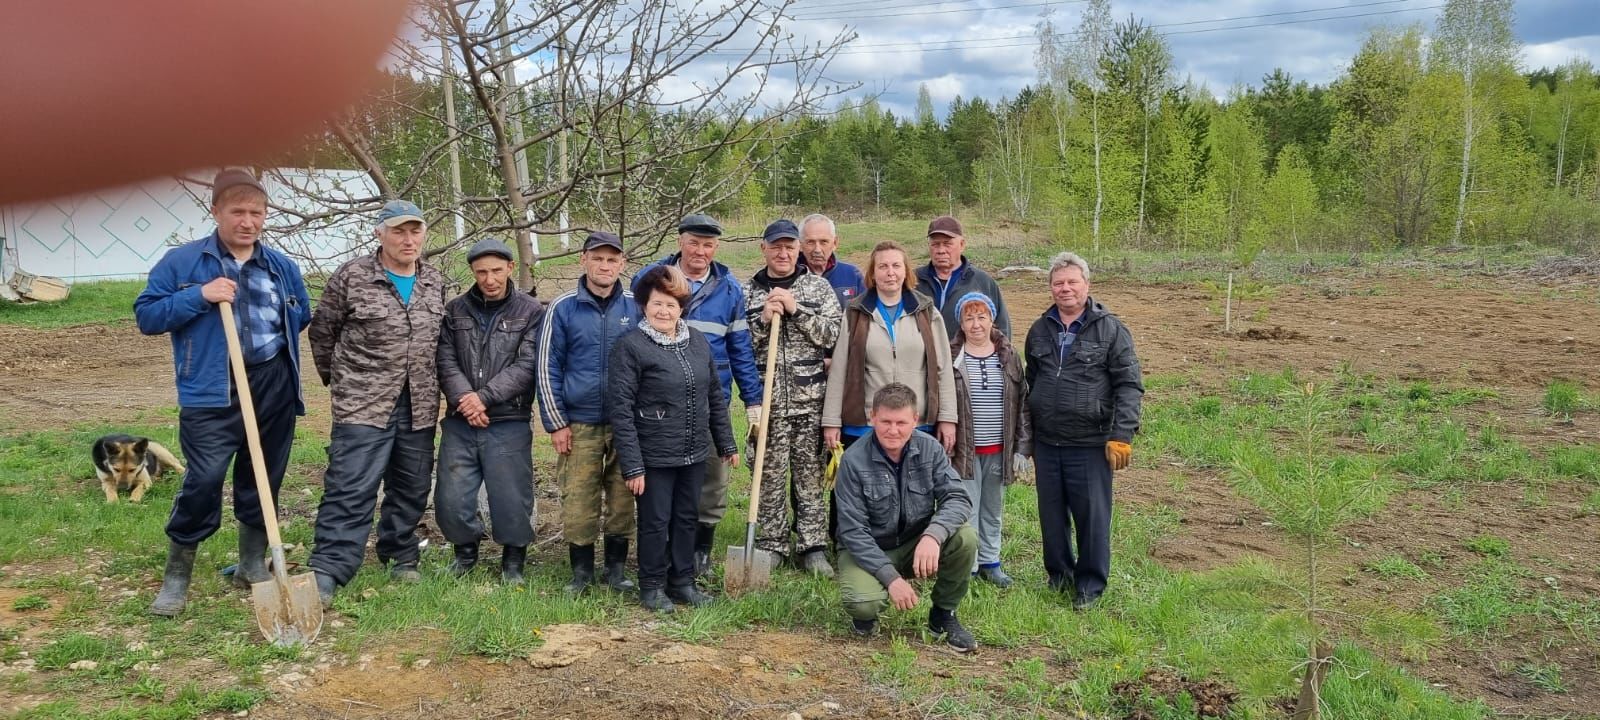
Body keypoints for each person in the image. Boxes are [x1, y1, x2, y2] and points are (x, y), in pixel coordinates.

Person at [135, 169, 312, 617]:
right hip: (212, 387)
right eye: (237, 212)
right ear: (216, 212)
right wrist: (200, 295)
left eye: (256, 212)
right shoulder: (184, 263)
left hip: (271, 382)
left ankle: (252, 565)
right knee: (205, 478)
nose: (247, 221)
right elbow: (148, 316)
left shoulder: (281, 267)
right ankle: (177, 578)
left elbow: (300, 314)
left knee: (264, 477)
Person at [307, 199, 448, 608]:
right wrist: (343, 383)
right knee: (350, 484)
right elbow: (322, 333)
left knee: (411, 484)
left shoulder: (434, 281)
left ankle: (400, 553)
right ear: (379, 233)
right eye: (398, 231)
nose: (408, 239)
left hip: (419, 401)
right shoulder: (351, 276)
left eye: (415, 231)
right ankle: (330, 567)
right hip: (362, 404)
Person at [633, 213, 763, 577]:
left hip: (710, 402)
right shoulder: (652, 278)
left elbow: (740, 348)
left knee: (711, 480)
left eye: (708, 245)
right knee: (662, 483)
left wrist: (752, 400)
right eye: (694, 243)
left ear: (716, 247)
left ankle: (699, 551)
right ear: (680, 242)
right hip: (658, 407)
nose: (700, 251)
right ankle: (660, 557)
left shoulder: (729, 288)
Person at [609, 265, 738, 613]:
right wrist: (633, 465)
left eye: (671, 305)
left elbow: (714, 393)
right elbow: (620, 408)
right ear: (644, 307)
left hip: (694, 451)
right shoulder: (631, 347)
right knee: (655, 522)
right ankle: (651, 586)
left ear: (682, 307)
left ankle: (682, 582)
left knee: (686, 517)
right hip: (653, 455)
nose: (664, 311)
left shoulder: (695, 340)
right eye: (657, 304)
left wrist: (725, 442)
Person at [1023, 252, 1143, 611]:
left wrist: (1121, 434)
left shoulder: (1111, 330)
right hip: (1048, 441)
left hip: (1090, 443)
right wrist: (1027, 437)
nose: (1065, 289)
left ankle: (1089, 585)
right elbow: (1032, 381)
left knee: (1092, 517)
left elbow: (1129, 385)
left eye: (1072, 281)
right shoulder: (1039, 329)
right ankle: (1059, 576)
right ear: (1050, 288)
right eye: (1058, 283)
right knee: (1052, 516)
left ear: (1086, 285)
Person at [833, 383, 978, 652]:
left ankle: (943, 616)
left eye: (901, 422)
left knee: (966, 538)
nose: (893, 430)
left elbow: (958, 498)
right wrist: (891, 579)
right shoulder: (853, 461)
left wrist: (933, 536)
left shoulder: (931, 449)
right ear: (872, 417)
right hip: (869, 548)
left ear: (915, 420)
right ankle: (866, 616)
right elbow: (853, 532)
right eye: (885, 421)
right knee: (862, 603)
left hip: (916, 542)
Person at [435, 238, 545, 584]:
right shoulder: (454, 310)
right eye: (481, 272)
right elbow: (445, 359)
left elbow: (527, 365)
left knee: (511, 495)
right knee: (452, 495)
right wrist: (466, 399)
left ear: (511, 268)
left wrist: (484, 398)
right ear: (473, 272)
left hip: (508, 418)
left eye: (496, 270)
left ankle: (513, 561)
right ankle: (465, 553)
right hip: (460, 419)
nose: (489, 279)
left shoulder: (531, 311)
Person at [537, 231, 639, 595]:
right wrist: (556, 422)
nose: (605, 265)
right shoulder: (562, 308)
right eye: (598, 258)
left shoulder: (635, 306)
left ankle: (616, 570)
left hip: (625, 424)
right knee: (578, 497)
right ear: (583, 260)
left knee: (622, 495)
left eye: (612, 259)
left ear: (622, 264)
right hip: (578, 423)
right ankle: (580, 573)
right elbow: (547, 366)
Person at [742, 219, 842, 576]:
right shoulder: (747, 293)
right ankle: (771, 545)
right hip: (766, 405)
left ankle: (812, 546)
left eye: (789, 246)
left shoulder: (817, 289)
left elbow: (834, 336)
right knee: (767, 478)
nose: (783, 253)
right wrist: (762, 321)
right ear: (764, 249)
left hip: (810, 402)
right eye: (776, 247)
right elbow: (737, 346)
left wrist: (797, 311)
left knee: (810, 476)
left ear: (797, 249)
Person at [822, 240, 957, 454]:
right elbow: (839, 370)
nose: (890, 272)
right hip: (864, 425)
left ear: (906, 271)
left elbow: (944, 369)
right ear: (873, 274)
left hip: (917, 423)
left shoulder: (927, 313)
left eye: (896, 266)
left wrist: (948, 418)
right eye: (883, 267)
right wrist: (831, 420)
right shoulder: (855, 313)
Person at [949, 292, 1032, 589]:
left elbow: (1022, 402)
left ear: (992, 319)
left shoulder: (1008, 356)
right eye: (969, 318)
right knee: (967, 507)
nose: (975, 324)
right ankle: (968, 565)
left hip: (999, 448)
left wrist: (1022, 447)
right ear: (960, 322)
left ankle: (991, 561)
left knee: (992, 508)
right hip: (965, 451)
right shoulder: (952, 356)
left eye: (981, 317)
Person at [913, 216, 1012, 341]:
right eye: (935, 244)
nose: (941, 250)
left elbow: (1002, 330)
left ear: (962, 245)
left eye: (947, 244)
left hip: (967, 359)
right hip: (923, 359)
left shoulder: (983, 282)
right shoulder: (912, 281)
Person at [797, 213, 865, 310]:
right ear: (800, 244)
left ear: (835, 243)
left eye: (823, 242)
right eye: (810, 242)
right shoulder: (789, 276)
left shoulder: (853, 275)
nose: (817, 249)